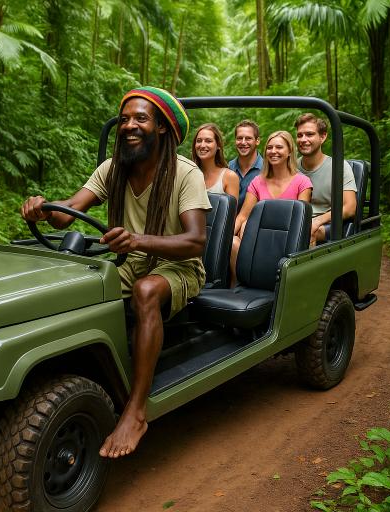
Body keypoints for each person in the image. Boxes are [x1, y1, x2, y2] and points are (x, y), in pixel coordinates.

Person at [21, 86, 211, 458]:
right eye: (124, 119)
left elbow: (195, 242)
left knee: (145, 291)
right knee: (77, 283)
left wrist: (138, 240)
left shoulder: (186, 173)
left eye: (140, 118)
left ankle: (136, 411)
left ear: (161, 127)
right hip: (128, 261)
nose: (129, 126)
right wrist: (43, 209)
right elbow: (66, 213)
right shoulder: (113, 168)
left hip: (179, 266)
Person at [230, 131, 312, 285]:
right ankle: (237, 286)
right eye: (269, 148)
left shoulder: (303, 182)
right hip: (258, 241)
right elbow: (243, 216)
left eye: (279, 147)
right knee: (234, 241)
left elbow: (301, 223)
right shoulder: (257, 182)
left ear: (289, 152)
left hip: (287, 242)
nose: (273, 151)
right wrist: (224, 237)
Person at [294, 113, 357, 244]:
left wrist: (318, 220)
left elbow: (350, 207)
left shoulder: (339, 167)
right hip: (297, 220)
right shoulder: (292, 167)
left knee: (305, 231)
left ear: (322, 137)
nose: (303, 139)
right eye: (300, 135)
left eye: (309, 134)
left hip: (327, 223)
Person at [191, 123, 239, 199]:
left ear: (218, 145)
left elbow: (231, 207)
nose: (202, 145)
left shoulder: (229, 177)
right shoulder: (189, 175)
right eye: (199, 141)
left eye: (208, 141)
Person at [227, 119, 263, 208]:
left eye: (248, 138)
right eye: (239, 138)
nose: (243, 142)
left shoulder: (267, 169)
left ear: (257, 141)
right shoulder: (228, 168)